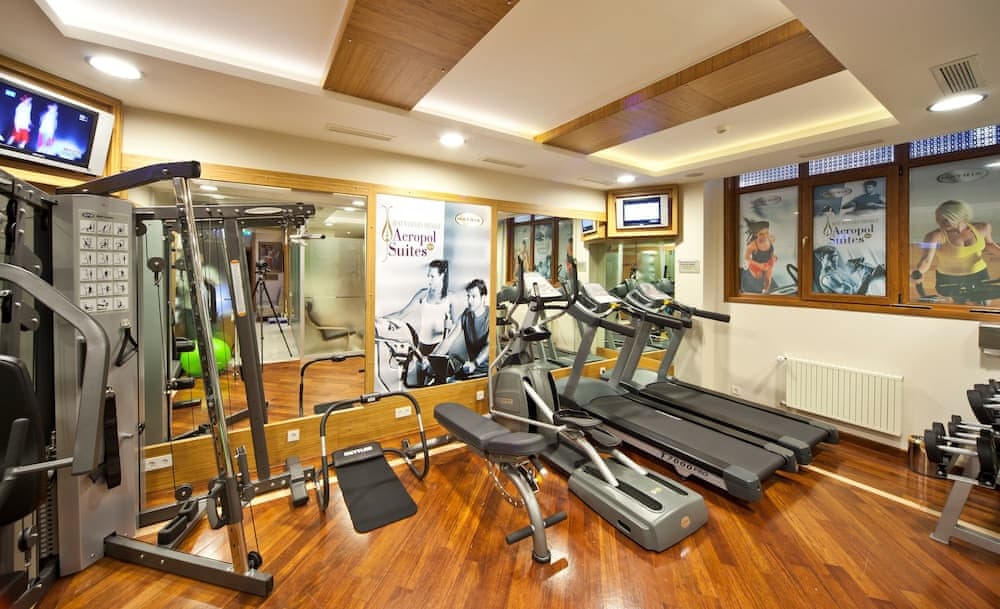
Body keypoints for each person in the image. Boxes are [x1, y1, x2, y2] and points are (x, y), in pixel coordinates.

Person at [912, 199, 1000, 304]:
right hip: (949, 279)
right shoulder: (933, 237)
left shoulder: (984, 228)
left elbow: (989, 244)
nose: (940, 223)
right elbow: (926, 260)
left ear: (959, 218)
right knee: (959, 305)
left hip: (978, 273)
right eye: (937, 219)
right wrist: (918, 273)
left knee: (984, 304)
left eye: (945, 220)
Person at [378, 259, 454, 357]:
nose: (429, 280)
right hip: (422, 346)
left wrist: (448, 327)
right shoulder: (423, 294)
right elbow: (402, 313)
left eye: (432, 277)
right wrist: (380, 319)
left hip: (441, 347)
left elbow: (455, 328)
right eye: (428, 276)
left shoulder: (451, 297)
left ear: (442, 275)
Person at [436, 278, 489, 380]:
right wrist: (433, 358)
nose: (469, 301)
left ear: (483, 298)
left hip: (486, 371)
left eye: (473, 297)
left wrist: (475, 363)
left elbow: (489, 346)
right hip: (470, 369)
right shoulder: (466, 315)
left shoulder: (490, 316)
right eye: (468, 296)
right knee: (448, 381)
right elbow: (449, 340)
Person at [743, 218, 777, 293]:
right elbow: (746, 258)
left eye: (767, 233)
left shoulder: (770, 239)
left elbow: (770, 250)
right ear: (756, 234)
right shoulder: (752, 245)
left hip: (768, 263)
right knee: (758, 277)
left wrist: (773, 256)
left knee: (768, 280)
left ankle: (765, 292)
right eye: (761, 234)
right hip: (756, 264)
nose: (765, 236)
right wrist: (759, 265)